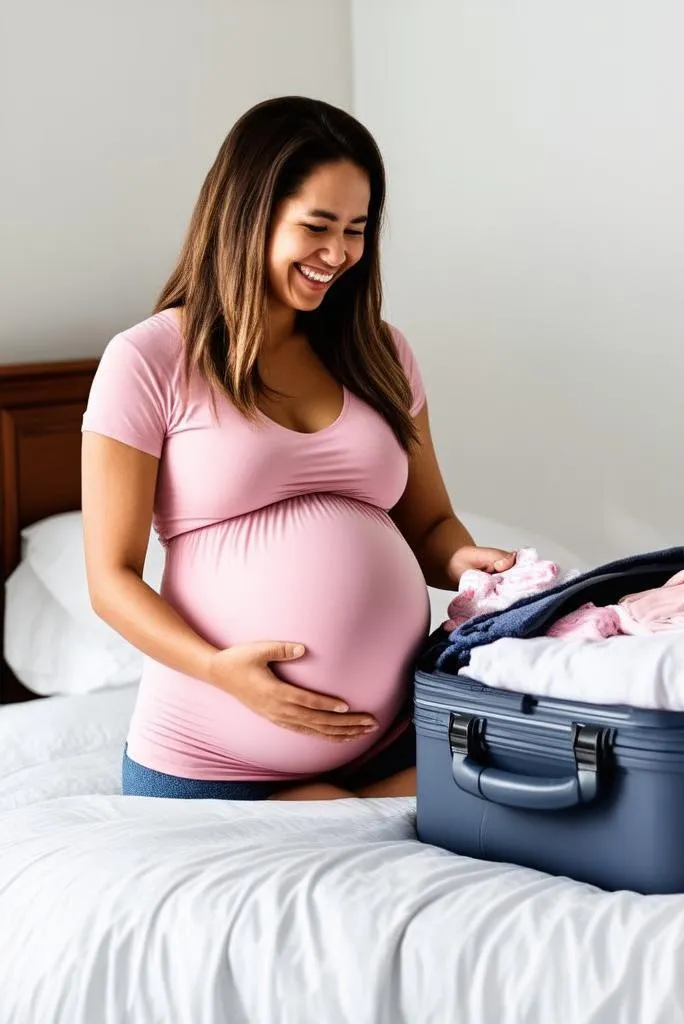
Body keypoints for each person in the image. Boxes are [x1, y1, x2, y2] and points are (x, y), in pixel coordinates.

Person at [81, 96, 515, 801]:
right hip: (217, 761)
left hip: (387, 739)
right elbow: (112, 579)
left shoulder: (380, 352)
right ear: (249, 213)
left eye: (355, 230)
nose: (337, 254)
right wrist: (220, 669)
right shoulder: (149, 360)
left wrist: (467, 562)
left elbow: (432, 526)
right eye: (316, 226)